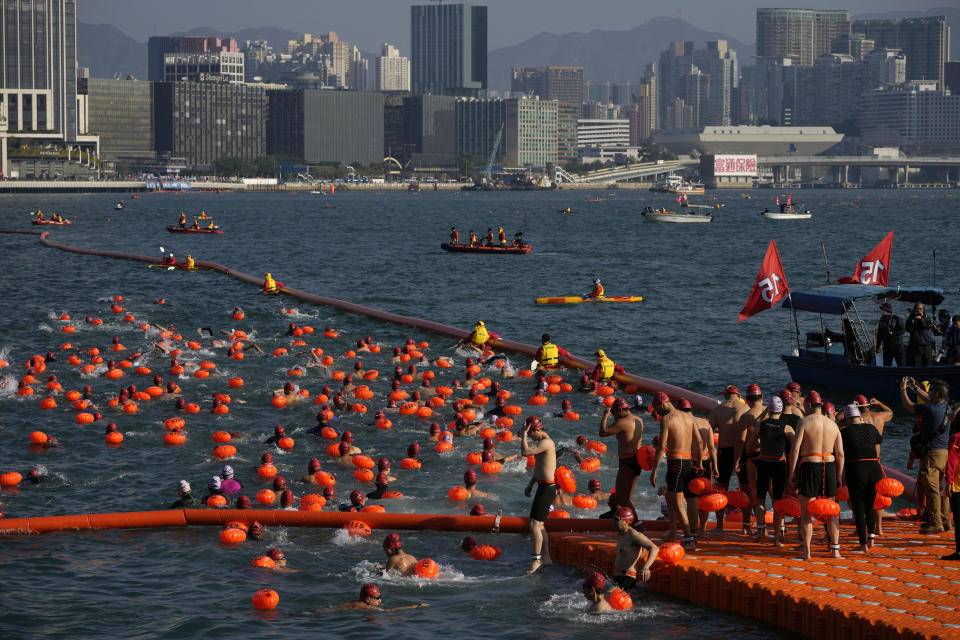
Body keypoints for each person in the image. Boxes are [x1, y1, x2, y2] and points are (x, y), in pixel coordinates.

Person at [788, 390, 845, 560]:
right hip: (829, 466)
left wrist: (792, 472)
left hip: (810, 465)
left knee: (806, 512)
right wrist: (839, 475)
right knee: (832, 511)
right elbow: (840, 454)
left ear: (810, 405)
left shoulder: (804, 422)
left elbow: (795, 449)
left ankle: (807, 552)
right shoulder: (833, 425)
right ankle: (835, 550)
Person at [650, 392, 702, 550]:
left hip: (676, 463)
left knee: (678, 503)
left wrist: (654, 470)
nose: (657, 412)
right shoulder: (689, 417)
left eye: (657, 408)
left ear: (663, 403)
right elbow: (699, 440)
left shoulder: (667, 419)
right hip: (687, 462)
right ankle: (673, 532)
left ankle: (689, 539)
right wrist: (699, 462)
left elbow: (660, 447)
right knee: (671, 499)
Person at [901, 377, 951, 534]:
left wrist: (903, 389)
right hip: (943, 453)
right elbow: (929, 398)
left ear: (935, 394)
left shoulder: (930, 409)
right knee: (942, 488)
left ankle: (935, 523)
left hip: (931, 454)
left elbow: (908, 406)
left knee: (932, 489)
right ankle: (945, 520)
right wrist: (916, 388)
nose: (928, 394)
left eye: (930, 392)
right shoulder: (947, 407)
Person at [744, 396, 794, 546]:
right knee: (778, 501)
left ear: (769, 409)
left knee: (760, 499)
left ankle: (761, 530)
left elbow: (748, 447)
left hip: (764, 463)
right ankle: (778, 538)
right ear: (781, 410)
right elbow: (797, 448)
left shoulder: (761, 425)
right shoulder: (787, 428)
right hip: (779, 465)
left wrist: (760, 443)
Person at [839, 404, 883, 553]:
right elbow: (879, 440)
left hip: (856, 469)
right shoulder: (870, 428)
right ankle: (871, 539)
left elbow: (839, 451)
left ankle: (863, 544)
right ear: (859, 416)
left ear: (846, 419)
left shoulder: (844, 432)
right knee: (870, 505)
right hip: (874, 468)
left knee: (859, 507)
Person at [709, 384, 750, 531]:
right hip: (743, 450)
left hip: (724, 451)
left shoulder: (717, 410)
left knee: (721, 488)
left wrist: (710, 456)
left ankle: (719, 526)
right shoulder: (746, 408)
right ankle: (746, 526)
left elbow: (708, 434)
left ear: (726, 396)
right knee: (745, 488)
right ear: (739, 396)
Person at [520, 415, 556, 574]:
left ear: (536, 430)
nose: (530, 437)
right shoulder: (542, 443)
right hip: (544, 486)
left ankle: (536, 560)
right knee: (539, 525)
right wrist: (531, 484)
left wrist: (523, 435)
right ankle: (546, 558)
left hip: (547, 488)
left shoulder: (546, 443)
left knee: (534, 524)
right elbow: (542, 468)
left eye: (530, 433)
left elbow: (525, 452)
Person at [598, 397, 644, 520]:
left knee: (621, 498)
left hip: (627, 461)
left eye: (614, 414)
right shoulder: (639, 420)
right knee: (627, 498)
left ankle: (637, 522)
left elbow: (602, 432)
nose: (614, 417)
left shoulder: (622, 422)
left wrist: (605, 415)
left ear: (619, 410)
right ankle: (634, 521)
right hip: (637, 461)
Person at [679, 398, 719, 538]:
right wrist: (715, 466)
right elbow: (712, 448)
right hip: (706, 462)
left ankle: (693, 531)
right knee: (704, 497)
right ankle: (702, 529)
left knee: (691, 500)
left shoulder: (682, 423)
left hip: (690, 462)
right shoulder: (704, 423)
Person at [612, 506, 659, 589]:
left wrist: (646, 568)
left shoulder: (633, 535)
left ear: (625, 522)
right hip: (617, 577)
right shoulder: (622, 534)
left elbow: (654, 548)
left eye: (616, 519)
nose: (613, 522)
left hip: (627, 579)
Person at [323, 583, 428, 612]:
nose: (380, 600)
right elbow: (389, 610)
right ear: (368, 599)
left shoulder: (354, 602)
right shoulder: (366, 606)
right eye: (377, 597)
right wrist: (415, 606)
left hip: (322, 611)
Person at [941, 428, 960, 560]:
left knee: (958, 520)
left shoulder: (956, 438)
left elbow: (952, 461)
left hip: (958, 485)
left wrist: (948, 481)